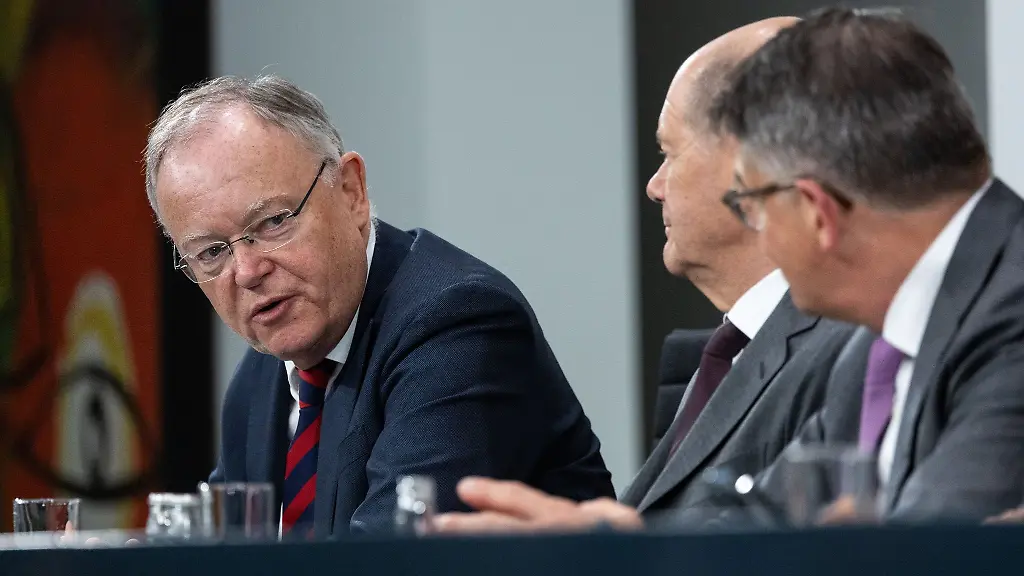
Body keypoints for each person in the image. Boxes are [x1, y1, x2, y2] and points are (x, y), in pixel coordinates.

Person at [434, 16, 856, 534]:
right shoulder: (723, 356)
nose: (655, 186)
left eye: (668, 152)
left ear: (749, 167)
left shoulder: (851, 347)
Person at [144, 75, 614, 536]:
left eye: (273, 222)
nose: (246, 272)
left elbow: (387, 561)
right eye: (210, 252)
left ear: (352, 192)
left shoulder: (459, 324)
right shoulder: (261, 377)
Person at [706, 7, 1024, 522]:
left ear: (816, 212)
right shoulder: (874, 347)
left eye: (751, 204)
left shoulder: (1012, 319)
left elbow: (941, 553)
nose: (758, 232)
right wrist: (611, 540)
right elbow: (761, 521)